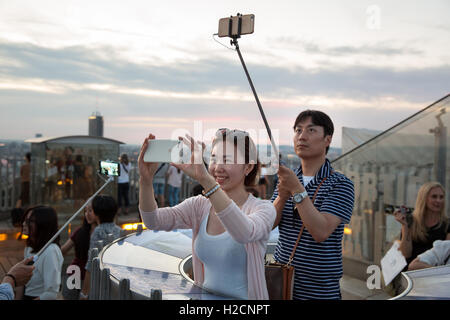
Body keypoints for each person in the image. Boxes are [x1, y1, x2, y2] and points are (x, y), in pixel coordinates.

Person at [138, 129, 276, 300]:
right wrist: (145, 181)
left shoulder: (263, 209)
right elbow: (153, 221)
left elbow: (244, 232)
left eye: (227, 160)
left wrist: (205, 180)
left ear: (248, 167)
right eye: (213, 158)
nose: (217, 168)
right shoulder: (199, 206)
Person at [271, 110, 354, 300]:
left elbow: (320, 231)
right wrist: (282, 196)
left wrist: (297, 190)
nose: (302, 136)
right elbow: (269, 224)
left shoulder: (340, 184)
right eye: (298, 130)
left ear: (327, 139)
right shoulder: (289, 178)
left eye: (311, 130)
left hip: (319, 291)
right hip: (281, 284)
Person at [394, 181, 450, 267]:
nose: (438, 200)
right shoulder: (410, 220)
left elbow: (446, 254)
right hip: (410, 273)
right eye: (434, 197)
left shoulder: (447, 224)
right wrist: (405, 226)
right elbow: (406, 254)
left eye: (441, 197)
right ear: (424, 198)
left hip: (432, 273)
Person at [80, 195, 122, 299]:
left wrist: (84, 293)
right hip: (117, 281)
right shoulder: (119, 230)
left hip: (100, 282)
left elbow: (91, 263)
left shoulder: (97, 232)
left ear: (96, 213)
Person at [20, 206, 64, 300]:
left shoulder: (50, 251)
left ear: (43, 225)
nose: (24, 224)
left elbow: (51, 293)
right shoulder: (29, 247)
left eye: (30, 221)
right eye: (25, 220)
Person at [60, 201, 98, 300]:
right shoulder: (80, 231)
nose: (87, 214)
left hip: (93, 277)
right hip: (75, 274)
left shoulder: (103, 233)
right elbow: (63, 250)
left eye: (91, 210)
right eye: (85, 211)